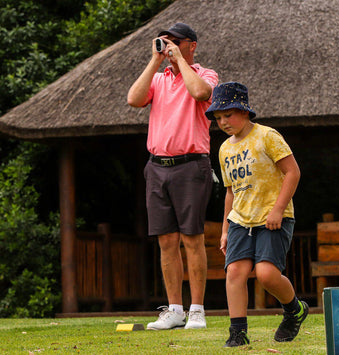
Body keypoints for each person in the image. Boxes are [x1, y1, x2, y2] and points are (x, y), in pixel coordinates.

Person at [127, 23, 219, 330]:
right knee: (166, 241)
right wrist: (155, 60)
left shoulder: (206, 74)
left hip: (191, 165)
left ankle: (197, 310)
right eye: (166, 42)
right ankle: (175, 309)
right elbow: (134, 99)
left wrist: (180, 61)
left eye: (175, 42)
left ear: (191, 45)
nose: (169, 47)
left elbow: (201, 93)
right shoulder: (158, 78)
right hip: (157, 166)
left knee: (192, 238)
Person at [205, 82, 309, 347]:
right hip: (240, 219)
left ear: (244, 110)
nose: (223, 122)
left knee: (266, 274)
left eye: (228, 114)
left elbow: (293, 173)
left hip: (272, 217)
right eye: (218, 118)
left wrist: (277, 210)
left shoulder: (267, 136)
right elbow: (230, 192)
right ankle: (238, 333)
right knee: (235, 272)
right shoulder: (225, 148)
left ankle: (294, 310)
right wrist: (225, 230)